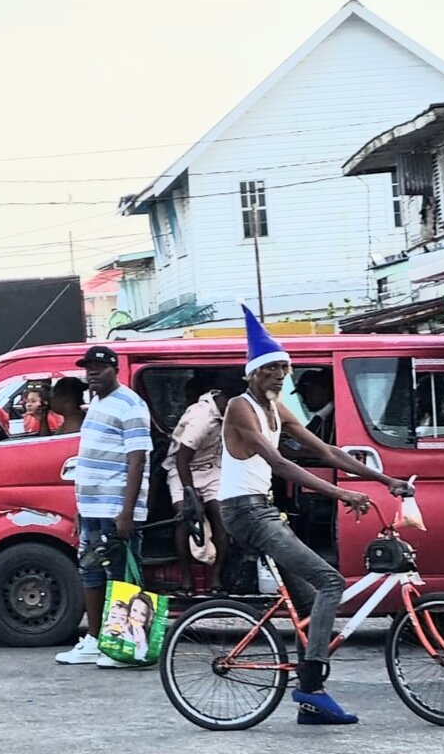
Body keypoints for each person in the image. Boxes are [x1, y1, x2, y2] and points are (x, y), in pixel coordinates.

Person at [219, 306, 412, 725]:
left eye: (284, 369)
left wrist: (385, 479)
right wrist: (339, 491)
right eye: (271, 369)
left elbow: (329, 452)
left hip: (263, 509)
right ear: (253, 373)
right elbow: (281, 464)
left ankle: (311, 704)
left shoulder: (277, 409)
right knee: (330, 581)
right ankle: (310, 685)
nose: (280, 376)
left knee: (310, 602)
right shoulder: (241, 407)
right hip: (243, 510)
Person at [55, 345, 152, 669]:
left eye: (100, 367)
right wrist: (80, 508)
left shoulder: (131, 405)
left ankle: (126, 646)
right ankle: (96, 641)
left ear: (116, 369)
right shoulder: (97, 403)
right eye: (89, 368)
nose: (92, 373)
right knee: (91, 573)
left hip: (115, 509)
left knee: (122, 576)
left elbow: (137, 460)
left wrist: (126, 512)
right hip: (93, 508)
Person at [166, 383, 237, 596]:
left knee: (222, 516)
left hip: (212, 468)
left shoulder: (228, 414)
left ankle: (216, 580)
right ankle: (186, 581)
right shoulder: (202, 418)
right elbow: (181, 459)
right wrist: (191, 494)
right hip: (183, 469)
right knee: (185, 518)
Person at [295, 369, 335, 444]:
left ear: (326, 390)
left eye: (307, 393)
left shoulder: (336, 417)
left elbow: (304, 440)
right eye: (301, 394)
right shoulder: (325, 416)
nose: (304, 400)